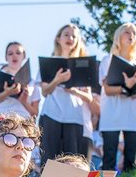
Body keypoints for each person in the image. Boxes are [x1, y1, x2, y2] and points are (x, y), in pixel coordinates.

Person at [39, 24, 98, 163]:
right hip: (51, 115)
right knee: (49, 160)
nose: (70, 38)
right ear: (58, 39)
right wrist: (57, 80)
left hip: (75, 118)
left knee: (72, 162)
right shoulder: (48, 63)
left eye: (74, 36)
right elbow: (45, 91)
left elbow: (89, 97)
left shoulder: (84, 64)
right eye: (66, 34)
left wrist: (74, 90)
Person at [100, 23, 136, 171]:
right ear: (118, 37)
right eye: (127, 32)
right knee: (109, 159)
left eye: (134, 33)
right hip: (111, 116)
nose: (131, 36)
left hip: (134, 117)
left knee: (131, 161)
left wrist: (132, 91)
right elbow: (108, 89)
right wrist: (126, 86)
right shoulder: (108, 60)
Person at [0, 42, 40, 120]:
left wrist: (23, 101)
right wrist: (6, 93)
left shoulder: (32, 82)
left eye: (18, 53)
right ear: (6, 57)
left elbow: (35, 113)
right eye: (10, 54)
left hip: (22, 120)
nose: (14, 56)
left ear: (24, 56)